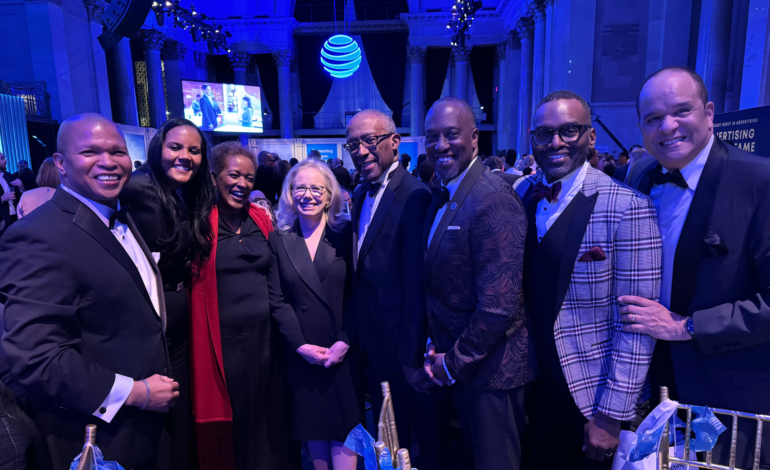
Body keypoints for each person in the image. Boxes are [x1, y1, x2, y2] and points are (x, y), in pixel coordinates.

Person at [0, 113, 178, 469]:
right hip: (94, 437)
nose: (109, 162)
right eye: (91, 152)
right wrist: (136, 393)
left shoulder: (120, 216)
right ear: (61, 164)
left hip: (146, 429)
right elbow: (36, 357)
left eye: (117, 151)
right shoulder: (38, 235)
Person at [626, 66, 770, 468]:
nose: (668, 126)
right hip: (656, 388)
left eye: (681, 111)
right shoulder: (641, 177)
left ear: (709, 113)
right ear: (641, 128)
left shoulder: (761, 182)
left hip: (725, 395)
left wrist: (685, 326)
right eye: (653, 118)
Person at [513, 90, 661, 468]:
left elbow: (637, 325)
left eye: (569, 131)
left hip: (589, 398)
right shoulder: (525, 195)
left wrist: (611, 414)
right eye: (544, 133)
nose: (556, 142)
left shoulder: (628, 208)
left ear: (590, 136)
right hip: (531, 388)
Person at [421, 97, 535, 470]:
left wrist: (451, 364)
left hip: (493, 373)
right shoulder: (447, 192)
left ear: (474, 139)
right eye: (431, 136)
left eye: (451, 134)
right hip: (466, 366)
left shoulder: (492, 199)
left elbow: (498, 307)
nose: (440, 145)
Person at [346, 109, 446, 470]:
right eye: (353, 144)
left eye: (369, 141)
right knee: (389, 442)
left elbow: (417, 284)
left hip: (406, 353)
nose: (360, 150)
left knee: (426, 444)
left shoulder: (415, 194)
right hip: (373, 349)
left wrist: (412, 357)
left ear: (393, 142)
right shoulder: (360, 194)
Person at [119, 118, 215, 470]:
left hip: (177, 315)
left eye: (194, 150)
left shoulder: (182, 193)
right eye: (176, 147)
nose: (185, 156)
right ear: (158, 147)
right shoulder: (139, 187)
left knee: (178, 406)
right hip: (150, 320)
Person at [189, 141, 290, 470]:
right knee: (236, 421)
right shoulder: (200, 222)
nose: (243, 184)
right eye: (234, 175)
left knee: (266, 416)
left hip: (266, 339)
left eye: (249, 178)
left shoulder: (261, 218)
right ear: (215, 176)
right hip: (224, 345)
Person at [268, 159, 362, 470]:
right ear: (289, 193)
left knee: (346, 448)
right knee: (318, 458)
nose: (307, 195)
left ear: (328, 194)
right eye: (300, 188)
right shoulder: (279, 239)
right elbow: (277, 299)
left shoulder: (346, 233)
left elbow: (358, 295)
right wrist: (300, 346)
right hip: (304, 359)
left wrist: (345, 341)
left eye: (315, 188)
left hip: (342, 357)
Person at [0, 152, 17, 235]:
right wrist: (2, 198)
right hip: (2, 220)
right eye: (2, 158)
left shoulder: (7, 176)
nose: (6, 161)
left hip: (15, 217)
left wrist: (21, 188)